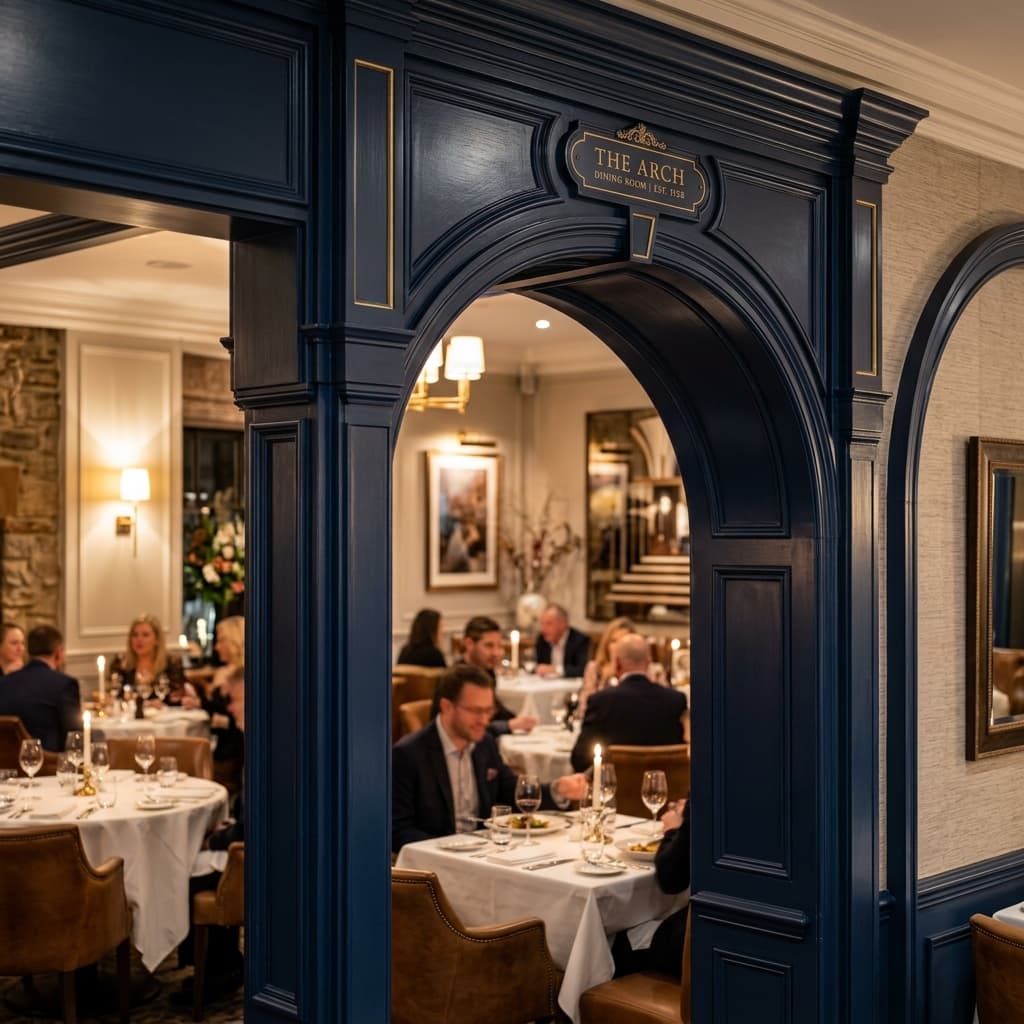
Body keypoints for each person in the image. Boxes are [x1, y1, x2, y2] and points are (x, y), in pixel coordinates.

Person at [392, 664, 588, 852]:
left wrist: (557, 789)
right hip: (435, 864)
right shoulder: (409, 754)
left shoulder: (484, 744)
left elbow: (509, 791)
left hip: (485, 853)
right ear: (447, 706)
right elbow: (398, 830)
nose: (485, 720)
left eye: (488, 711)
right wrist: (447, 849)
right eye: (476, 711)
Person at [173, 670, 245, 1006]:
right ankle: (217, 964)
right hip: (244, 840)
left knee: (183, 868)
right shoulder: (257, 739)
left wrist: (215, 839)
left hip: (252, 854)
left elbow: (255, 825)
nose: (229, 709)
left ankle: (217, 971)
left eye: (235, 700)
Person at [570, 633, 688, 772]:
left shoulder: (602, 700)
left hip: (614, 790)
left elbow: (580, 759)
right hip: (665, 788)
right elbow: (679, 755)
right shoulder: (675, 699)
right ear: (648, 662)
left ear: (617, 663)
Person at [613, 795, 691, 977]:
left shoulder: (708, 781)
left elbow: (671, 879)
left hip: (702, 941)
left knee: (615, 941)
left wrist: (675, 829)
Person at [430, 615, 537, 736]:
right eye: (489, 646)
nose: (496, 653)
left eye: (499, 646)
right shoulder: (455, 680)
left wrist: (521, 720)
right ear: (469, 644)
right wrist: (508, 725)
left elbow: (497, 710)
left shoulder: (487, 673)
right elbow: (460, 728)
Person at [0, 625, 81, 751]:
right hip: (49, 765)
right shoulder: (64, 684)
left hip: (6, 765)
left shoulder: (4, 682)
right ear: (58, 652)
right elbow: (75, 737)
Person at [199, 616, 245, 795]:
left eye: (221, 640)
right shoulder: (222, 672)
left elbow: (231, 720)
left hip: (233, 755)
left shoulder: (243, 677)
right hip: (219, 747)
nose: (217, 647)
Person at [109, 613, 186, 705]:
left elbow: (176, 699)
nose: (139, 639)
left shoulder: (171, 664)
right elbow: (115, 697)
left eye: (145, 635)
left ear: (157, 639)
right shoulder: (120, 663)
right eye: (135, 635)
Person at [576, 615, 634, 719]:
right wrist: (605, 679)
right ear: (606, 645)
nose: (618, 646)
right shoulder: (594, 669)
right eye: (614, 641)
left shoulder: (644, 672)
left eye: (623, 640)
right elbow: (584, 709)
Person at [534, 604, 590, 678]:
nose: (543, 629)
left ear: (562, 624)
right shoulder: (542, 639)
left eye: (549, 624)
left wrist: (555, 670)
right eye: (542, 624)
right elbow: (538, 665)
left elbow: (583, 670)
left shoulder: (580, 640)